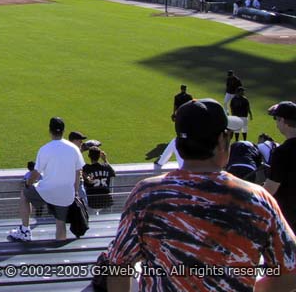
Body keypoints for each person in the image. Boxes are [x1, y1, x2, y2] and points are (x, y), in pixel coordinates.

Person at [105, 99, 296, 292]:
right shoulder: (257, 198)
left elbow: (118, 267)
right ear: (222, 141)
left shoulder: (145, 194)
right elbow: (291, 272)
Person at [9, 117, 85, 242]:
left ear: (49, 130)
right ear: (63, 131)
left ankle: (25, 230)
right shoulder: (74, 149)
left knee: (24, 195)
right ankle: (59, 252)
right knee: (60, 224)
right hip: (66, 194)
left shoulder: (45, 149)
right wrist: (75, 192)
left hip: (47, 191)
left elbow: (36, 173)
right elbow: (78, 174)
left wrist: (28, 184)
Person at [265, 102, 296, 231]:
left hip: (288, 217)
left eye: (276, 120)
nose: (277, 125)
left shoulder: (282, 152)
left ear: (282, 120)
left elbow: (270, 189)